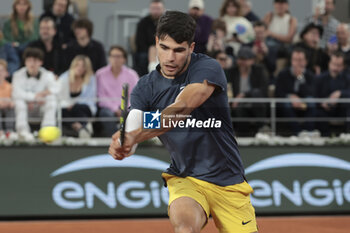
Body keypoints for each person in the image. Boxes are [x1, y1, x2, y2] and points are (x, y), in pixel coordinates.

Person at [109, 11, 258, 233]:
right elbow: (134, 125)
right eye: (165, 48)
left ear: (191, 47)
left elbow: (181, 108)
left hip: (229, 181)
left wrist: (135, 135)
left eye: (179, 50)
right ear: (156, 42)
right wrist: (125, 143)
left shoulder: (207, 69)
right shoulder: (145, 87)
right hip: (186, 178)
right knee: (185, 229)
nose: (170, 58)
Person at [12, 47, 59, 140]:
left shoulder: (47, 75)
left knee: (51, 99)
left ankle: (47, 130)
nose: (32, 64)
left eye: (35, 60)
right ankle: (23, 132)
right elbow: (17, 93)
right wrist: (34, 97)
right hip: (26, 107)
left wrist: (42, 96)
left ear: (40, 62)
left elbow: (55, 89)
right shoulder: (17, 75)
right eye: (29, 60)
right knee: (19, 102)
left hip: (41, 107)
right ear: (25, 62)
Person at [96, 46, 139, 137]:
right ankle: (116, 137)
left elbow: (136, 95)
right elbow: (101, 97)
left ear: (124, 59)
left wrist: (123, 109)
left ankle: (128, 137)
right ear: (109, 58)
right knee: (105, 113)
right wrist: (115, 109)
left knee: (135, 113)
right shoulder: (100, 74)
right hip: (109, 108)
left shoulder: (132, 74)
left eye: (118, 56)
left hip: (128, 107)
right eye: (113, 56)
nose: (115, 59)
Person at [227, 46, 269, 136]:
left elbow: (263, 91)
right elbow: (228, 89)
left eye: (245, 59)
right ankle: (243, 134)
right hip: (237, 105)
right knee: (239, 108)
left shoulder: (259, 71)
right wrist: (233, 100)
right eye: (240, 59)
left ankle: (261, 128)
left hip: (255, 102)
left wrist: (243, 95)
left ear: (252, 60)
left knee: (257, 95)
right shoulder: (231, 72)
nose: (242, 62)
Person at [275, 47, 316, 135]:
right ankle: (298, 132)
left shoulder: (310, 75)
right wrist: (290, 97)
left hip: (304, 103)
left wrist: (300, 77)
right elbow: (278, 93)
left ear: (306, 62)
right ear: (291, 61)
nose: (297, 63)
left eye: (300, 60)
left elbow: (312, 92)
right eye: (295, 60)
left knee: (311, 101)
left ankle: (308, 131)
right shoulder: (283, 74)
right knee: (286, 103)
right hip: (288, 104)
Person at [58, 55, 96, 138]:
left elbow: (90, 99)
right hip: (66, 108)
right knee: (61, 111)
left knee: (78, 107)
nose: (80, 68)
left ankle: (83, 126)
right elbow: (59, 97)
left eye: (83, 66)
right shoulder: (63, 78)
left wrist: (73, 104)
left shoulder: (91, 79)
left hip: (84, 108)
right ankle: (80, 127)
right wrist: (68, 104)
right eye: (77, 65)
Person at [315, 52, 350, 136]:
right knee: (317, 112)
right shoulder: (320, 78)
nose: (335, 68)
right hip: (324, 109)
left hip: (341, 109)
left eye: (338, 65)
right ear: (329, 64)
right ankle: (325, 138)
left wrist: (340, 93)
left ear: (343, 67)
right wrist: (322, 103)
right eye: (333, 64)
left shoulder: (347, 78)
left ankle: (347, 136)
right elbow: (314, 95)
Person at [134, 0, 165, 76]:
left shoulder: (167, 22)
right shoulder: (143, 22)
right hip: (146, 50)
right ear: (150, 9)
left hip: (163, 48)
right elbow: (139, 41)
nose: (155, 11)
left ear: (163, 9)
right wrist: (151, 49)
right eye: (153, 8)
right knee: (142, 57)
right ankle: (143, 78)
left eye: (158, 9)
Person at [0, 60, 15, 136]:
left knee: (12, 108)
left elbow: (13, 99)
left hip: (7, 108)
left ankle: (10, 132)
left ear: (6, 73)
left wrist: (11, 102)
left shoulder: (10, 86)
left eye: (2, 70)